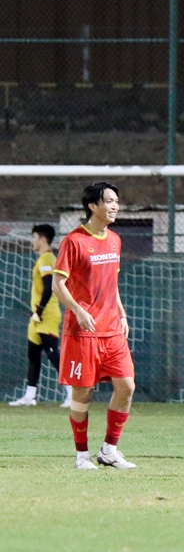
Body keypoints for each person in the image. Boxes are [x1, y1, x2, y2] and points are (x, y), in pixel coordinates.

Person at [53, 182, 136, 470]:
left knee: (126, 386)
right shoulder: (74, 241)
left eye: (117, 201)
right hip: (83, 332)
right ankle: (81, 456)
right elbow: (58, 284)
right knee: (83, 393)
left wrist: (122, 314)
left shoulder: (115, 240)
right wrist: (78, 310)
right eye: (109, 201)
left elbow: (111, 284)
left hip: (112, 330)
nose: (115, 206)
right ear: (93, 206)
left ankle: (109, 451)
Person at [9, 224, 72, 408]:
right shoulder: (44, 258)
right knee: (33, 354)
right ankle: (30, 396)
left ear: (42, 239)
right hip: (38, 317)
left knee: (53, 354)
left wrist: (39, 310)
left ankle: (72, 394)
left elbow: (49, 286)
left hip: (47, 315)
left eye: (34, 237)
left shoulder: (47, 258)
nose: (32, 241)